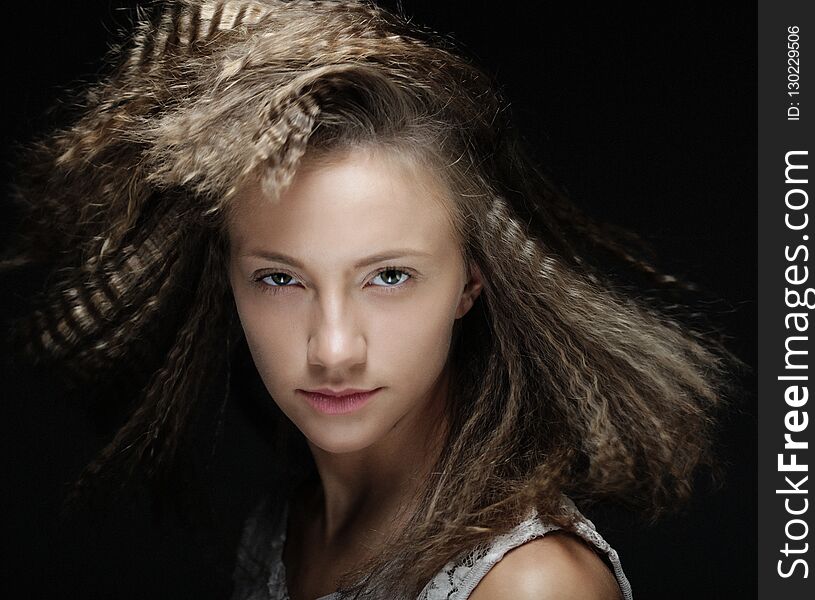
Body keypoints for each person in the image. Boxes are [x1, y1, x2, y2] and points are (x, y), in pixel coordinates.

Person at [2, 1, 740, 598]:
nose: (332, 349)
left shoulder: (531, 585)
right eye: (281, 279)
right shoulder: (286, 528)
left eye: (389, 276)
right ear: (227, 279)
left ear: (472, 280)